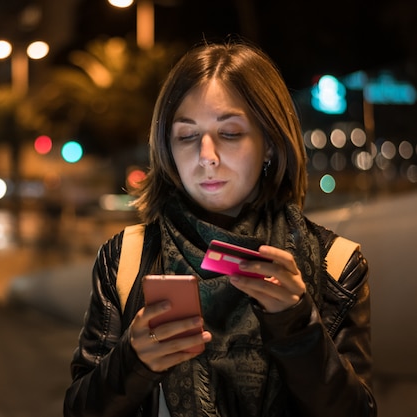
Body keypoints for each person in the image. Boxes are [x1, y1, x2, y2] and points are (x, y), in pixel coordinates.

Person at [64, 41, 376, 417]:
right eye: (186, 135)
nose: (206, 155)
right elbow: (79, 408)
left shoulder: (338, 265)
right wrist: (132, 361)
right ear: (168, 148)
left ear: (270, 144)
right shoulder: (125, 257)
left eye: (229, 133)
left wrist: (297, 326)